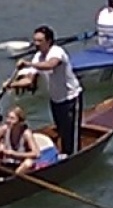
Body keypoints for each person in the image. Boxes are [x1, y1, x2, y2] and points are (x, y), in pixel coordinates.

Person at [9, 26, 83, 157]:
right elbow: (29, 80)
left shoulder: (57, 52)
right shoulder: (37, 56)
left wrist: (28, 64)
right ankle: (64, 153)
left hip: (71, 98)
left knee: (71, 134)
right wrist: (11, 84)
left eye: (39, 41)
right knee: (61, 130)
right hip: (55, 99)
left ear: (49, 41)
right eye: (35, 41)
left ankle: (73, 156)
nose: (36, 44)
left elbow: (50, 65)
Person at [0, 104, 60, 174]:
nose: (8, 121)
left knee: (28, 163)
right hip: (5, 164)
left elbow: (37, 153)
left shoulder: (26, 134)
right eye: (8, 117)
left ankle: (13, 179)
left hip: (20, 166)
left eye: (12, 118)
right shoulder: (4, 129)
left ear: (20, 122)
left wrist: (15, 154)